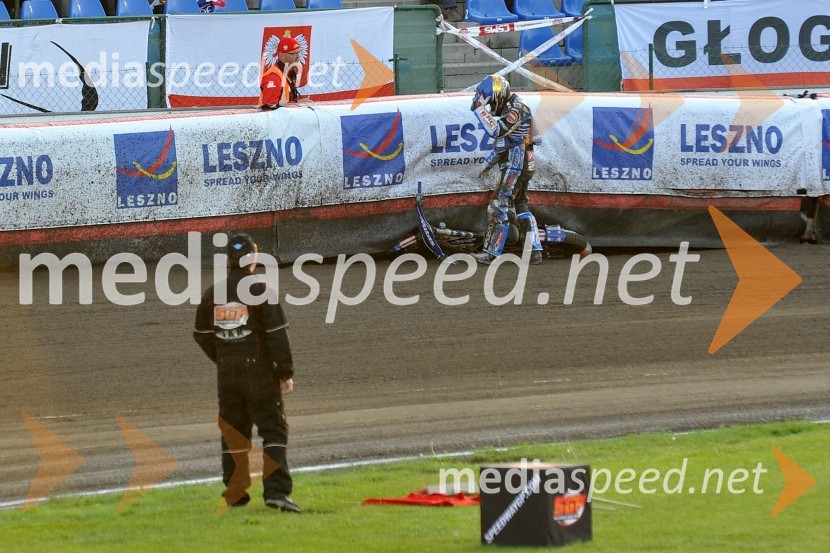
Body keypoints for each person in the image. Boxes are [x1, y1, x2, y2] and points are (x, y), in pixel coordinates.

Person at [193, 232, 301, 512]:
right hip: (259, 372)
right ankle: (277, 492)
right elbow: (278, 336)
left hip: (226, 373)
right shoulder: (260, 290)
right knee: (273, 430)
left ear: (228, 259)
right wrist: (285, 371)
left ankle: (235, 492)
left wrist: (224, 357)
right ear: (253, 258)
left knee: (233, 432)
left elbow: (202, 334)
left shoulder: (212, 293)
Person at [470, 74, 544, 265]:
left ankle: (492, 253)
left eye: (490, 104)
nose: (491, 109)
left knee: (498, 205)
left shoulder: (517, 108)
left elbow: (497, 131)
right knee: (520, 203)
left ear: (498, 97)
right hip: (522, 161)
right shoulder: (514, 105)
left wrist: (479, 110)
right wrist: (488, 163)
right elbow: (504, 142)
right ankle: (534, 250)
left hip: (516, 163)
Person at [259, 35, 303, 110]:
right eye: (294, 53)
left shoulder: (287, 72)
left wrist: (297, 102)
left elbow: (283, 102)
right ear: (282, 56)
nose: (298, 56)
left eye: (299, 53)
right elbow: (269, 109)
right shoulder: (273, 77)